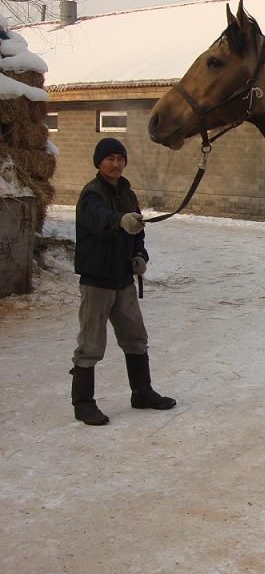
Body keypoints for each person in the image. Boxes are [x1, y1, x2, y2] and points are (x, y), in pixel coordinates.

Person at [70, 137, 176, 425]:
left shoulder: (127, 193)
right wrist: (120, 221)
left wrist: (140, 255)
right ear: (99, 162)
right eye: (110, 158)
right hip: (97, 281)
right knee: (90, 344)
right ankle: (83, 404)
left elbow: (138, 231)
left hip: (123, 279)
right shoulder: (91, 194)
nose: (116, 164)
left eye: (120, 159)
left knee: (135, 338)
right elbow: (101, 220)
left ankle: (141, 392)